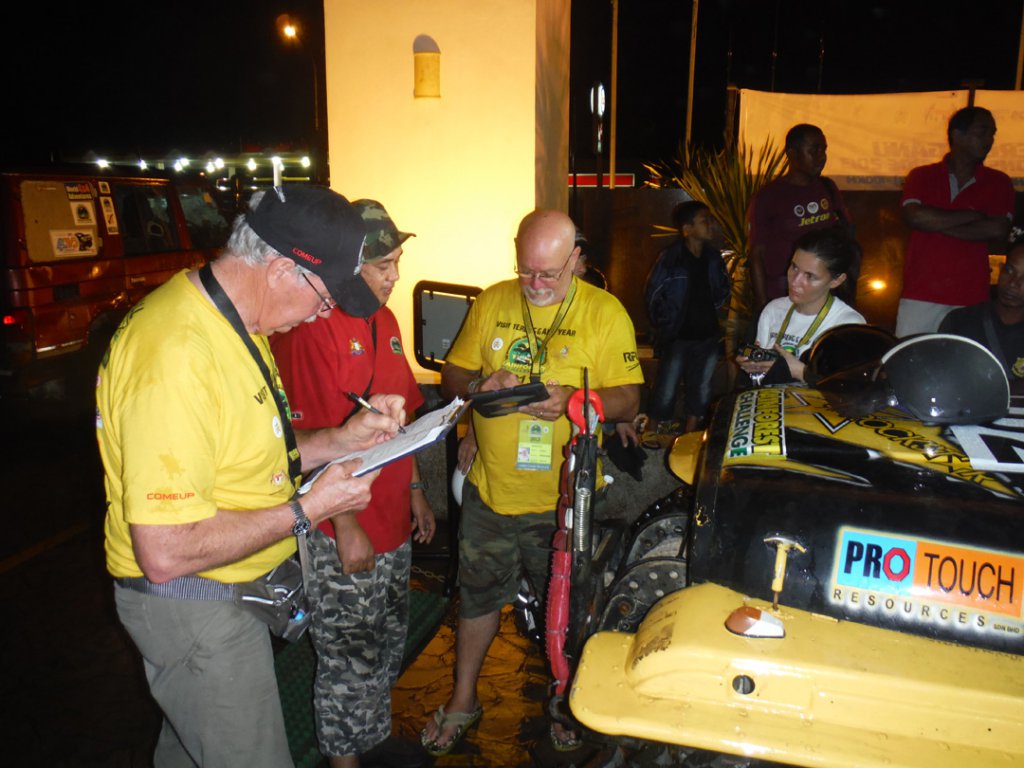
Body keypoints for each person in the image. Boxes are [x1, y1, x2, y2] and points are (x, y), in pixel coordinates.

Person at [98, 184, 407, 768]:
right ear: (282, 269)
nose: (324, 312)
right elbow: (165, 551)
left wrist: (343, 439)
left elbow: (255, 452)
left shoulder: (234, 321)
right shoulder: (177, 354)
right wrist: (311, 510)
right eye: (324, 296)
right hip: (195, 599)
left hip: (227, 589)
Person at [419, 209, 643, 756]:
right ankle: (463, 699)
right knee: (475, 598)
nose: (536, 284)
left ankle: (566, 700)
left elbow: (628, 399)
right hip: (490, 493)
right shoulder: (493, 301)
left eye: (549, 273)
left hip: (564, 500)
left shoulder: (604, 311)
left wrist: (572, 400)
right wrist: (480, 384)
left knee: (566, 607)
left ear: (575, 258)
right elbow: (451, 376)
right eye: (526, 271)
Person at [271, 199, 435, 768]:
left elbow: (403, 419)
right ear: (348, 265)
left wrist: (415, 490)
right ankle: (345, 760)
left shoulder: (384, 321)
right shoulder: (311, 331)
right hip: (342, 523)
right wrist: (346, 527)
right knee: (347, 656)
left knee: (385, 642)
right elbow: (310, 448)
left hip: (389, 515)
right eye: (383, 266)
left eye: (398, 263)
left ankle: (372, 741)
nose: (396, 277)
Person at [896, 106, 1014, 337]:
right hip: (920, 295)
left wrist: (934, 223)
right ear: (957, 134)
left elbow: (997, 229)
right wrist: (973, 215)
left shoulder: (999, 182)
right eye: (982, 132)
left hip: (971, 298)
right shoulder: (922, 175)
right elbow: (914, 217)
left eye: (992, 134)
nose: (989, 140)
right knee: (911, 357)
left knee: (965, 358)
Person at [737, 226, 865, 385]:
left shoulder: (847, 324)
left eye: (810, 276)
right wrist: (751, 366)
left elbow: (848, 388)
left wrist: (801, 372)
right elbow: (759, 375)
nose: (795, 281)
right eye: (794, 267)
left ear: (836, 281)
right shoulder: (773, 309)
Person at [644, 201, 730, 435]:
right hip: (678, 334)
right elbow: (653, 292)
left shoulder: (713, 257)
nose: (710, 225)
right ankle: (651, 433)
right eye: (704, 221)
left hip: (707, 334)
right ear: (687, 229)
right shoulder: (671, 257)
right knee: (666, 386)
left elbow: (723, 289)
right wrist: (665, 320)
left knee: (701, 387)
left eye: (710, 220)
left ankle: (689, 435)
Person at [747, 123, 851, 314]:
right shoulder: (769, 196)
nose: (821, 156)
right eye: (814, 150)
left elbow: (844, 233)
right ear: (792, 153)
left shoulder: (827, 187)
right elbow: (757, 254)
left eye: (824, 150)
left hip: (823, 293)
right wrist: (762, 305)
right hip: (784, 294)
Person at [939, 240, 1024, 394]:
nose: (1013, 283)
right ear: (1001, 270)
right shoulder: (959, 321)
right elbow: (941, 380)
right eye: (1009, 270)